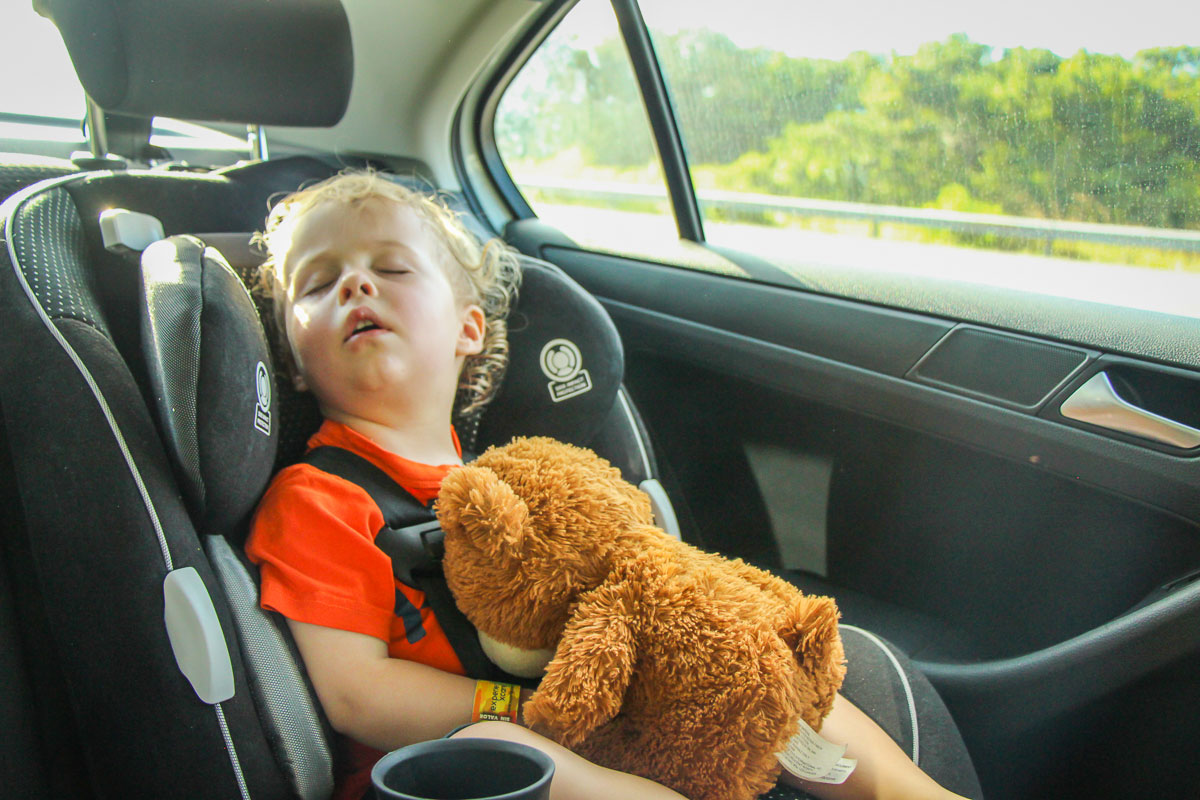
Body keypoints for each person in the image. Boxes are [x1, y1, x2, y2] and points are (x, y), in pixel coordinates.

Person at [244, 169, 975, 800]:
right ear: (298, 368)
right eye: (318, 283)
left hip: (596, 706)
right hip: (462, 765)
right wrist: (520, 712)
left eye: (392, 268)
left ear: (469, 329)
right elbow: (354, 694)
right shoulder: (318, 498)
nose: (356, 282)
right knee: (536, 760)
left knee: (754, 660)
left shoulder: (527, 480)